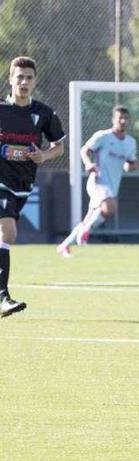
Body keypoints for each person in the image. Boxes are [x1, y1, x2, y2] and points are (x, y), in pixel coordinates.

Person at [0, 56, 65, 317]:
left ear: (35, 81)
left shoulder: (44, 114)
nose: (24, 82)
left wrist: (44, 156)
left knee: (4, 235)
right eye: (20, 77)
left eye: (29, 78)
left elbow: (59, 146)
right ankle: (3, 297)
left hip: (23, 185)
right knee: (8, 232)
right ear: (10, 80)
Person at [56, 106, 139, 257]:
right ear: (113, 119)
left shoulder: (130, 142)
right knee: (111, 207)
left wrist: (133, 166)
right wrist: (88, 163)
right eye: (120, 118)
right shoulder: (103, 136)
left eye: (126, 118)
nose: (123, 121)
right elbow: (84, 150)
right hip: (98, 181)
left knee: (91, 217)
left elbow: (129, 165)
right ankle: (85, 230)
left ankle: (64, 245)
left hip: (113, 184)